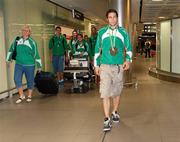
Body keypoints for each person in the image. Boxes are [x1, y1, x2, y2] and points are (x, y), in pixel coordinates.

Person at [94, 9, 132, 132]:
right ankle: (106, 118)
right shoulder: (102, 32)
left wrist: (128, 60)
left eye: (114, 17)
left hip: (118, 66)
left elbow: (129, 49)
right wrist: (96, 65)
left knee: (116, 92)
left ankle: (115, 111)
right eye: (110, 17)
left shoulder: (123, 32)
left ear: (117, 18)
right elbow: (96, 50)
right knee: (105, 92)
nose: (112, 19)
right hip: (105, 66)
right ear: (107, 19)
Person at [6, 26, 42, 103]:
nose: (25, 32)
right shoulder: (17, 40)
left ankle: (29, 95)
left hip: (30, 65)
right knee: (16, 79)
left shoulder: (32, 42)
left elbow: (36, 54)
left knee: (30, 80)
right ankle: (21, 95)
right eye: (23, 30)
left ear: (29, 33)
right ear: (21, 31)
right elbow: (11, 49)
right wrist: (8, 59)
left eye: (27, 31)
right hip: (19, 64)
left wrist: (39, 66)